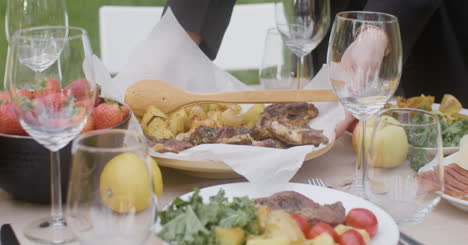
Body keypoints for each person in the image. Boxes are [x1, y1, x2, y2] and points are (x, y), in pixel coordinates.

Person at [164, 0, 468, 134]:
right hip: (335, 22)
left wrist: (375, 32)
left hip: (425, 33)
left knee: (435, 149)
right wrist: (180, 40)